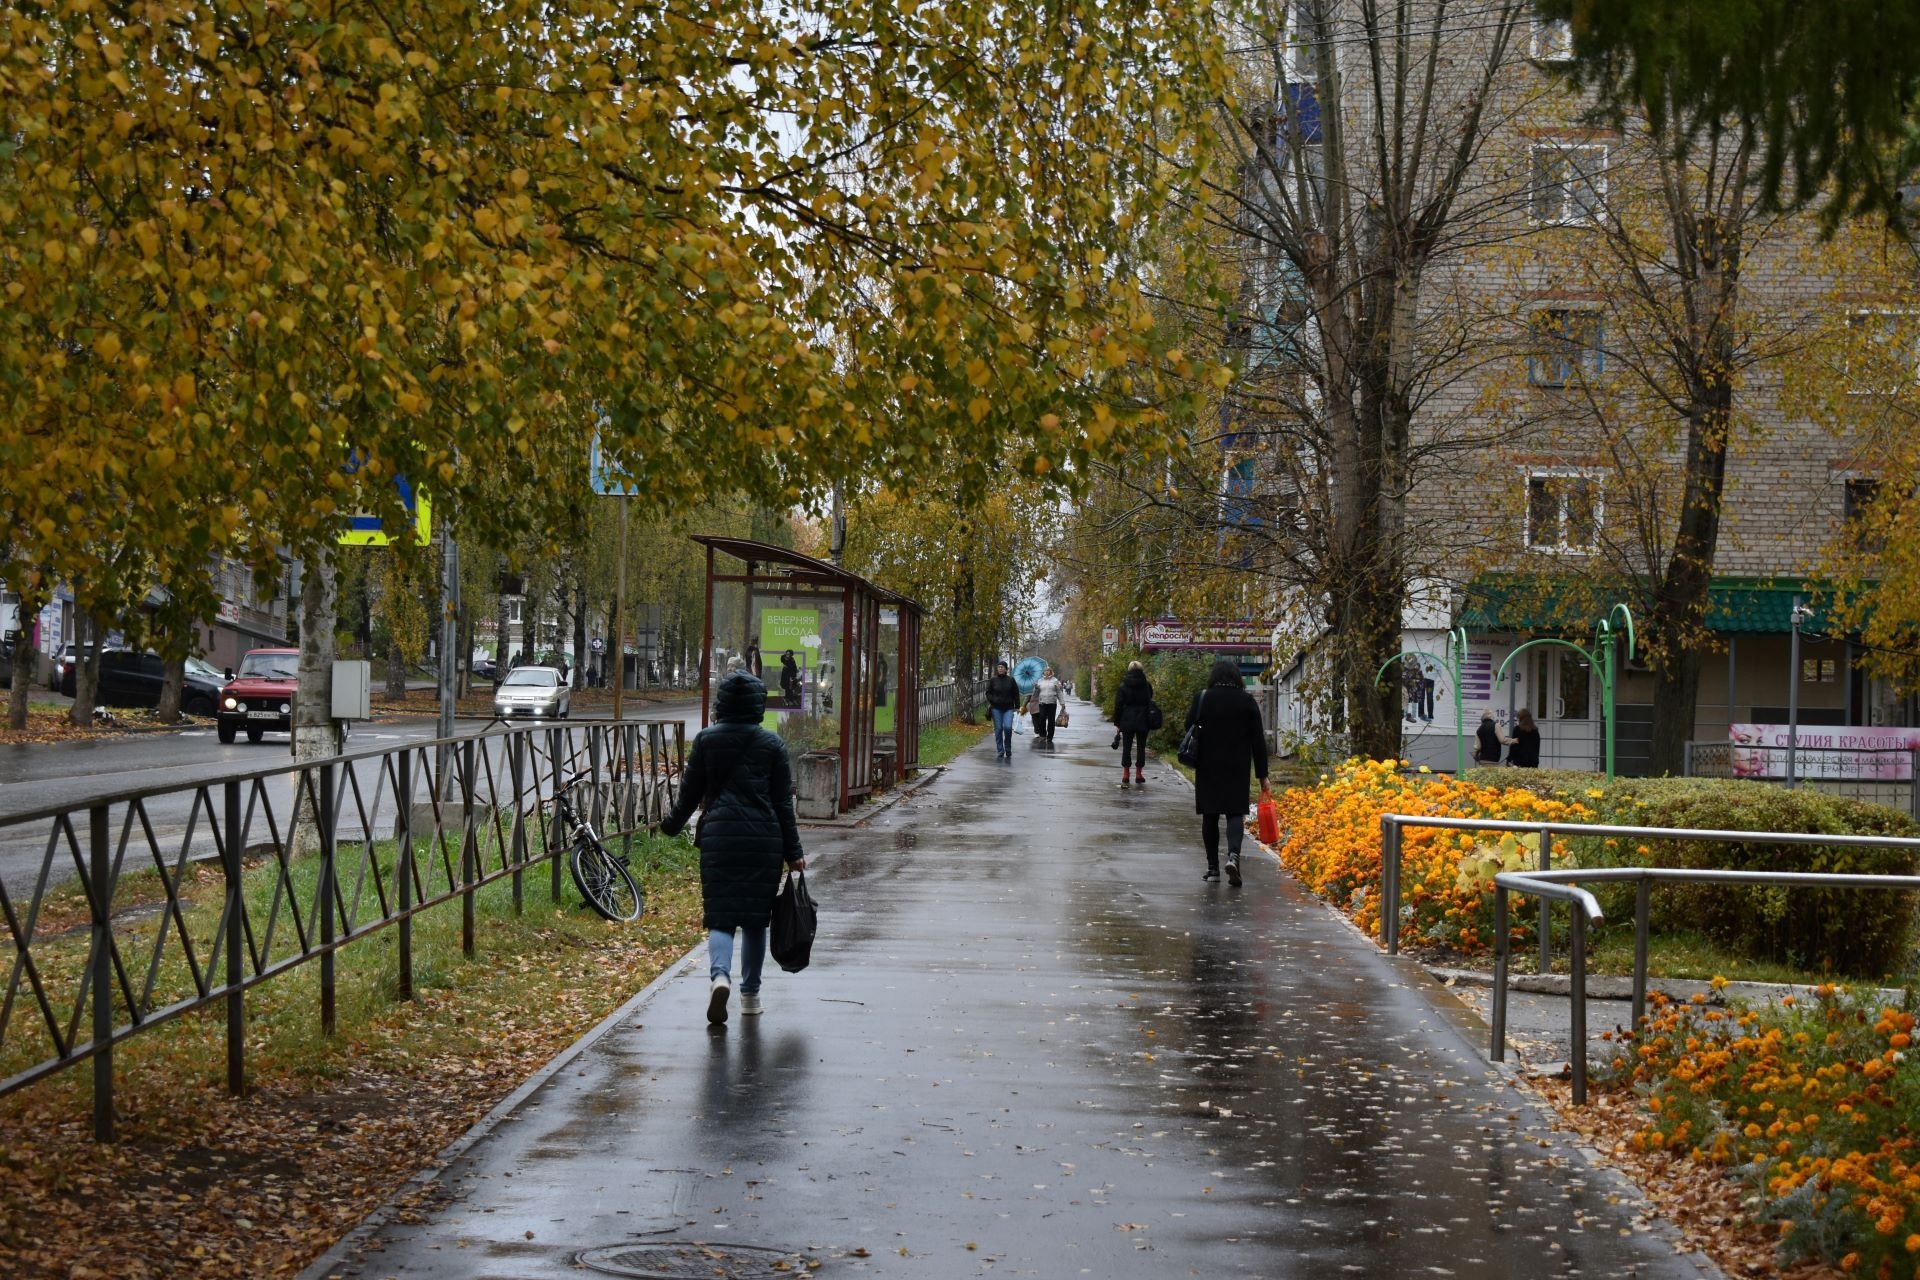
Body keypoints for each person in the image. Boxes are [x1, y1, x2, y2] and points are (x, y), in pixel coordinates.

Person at [660, 671, 807, 1026]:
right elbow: (783, 805)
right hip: (764, 841)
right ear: (758, 704)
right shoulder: (773, 746)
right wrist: (794, 851)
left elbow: (689, 794)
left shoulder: (707, 741)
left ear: (722, 703)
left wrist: (670, 825)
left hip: (720, 840)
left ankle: (719, 977)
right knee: (757, 921)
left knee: (721, 918)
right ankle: (751, 995)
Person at [1185, 657, 1269, 886]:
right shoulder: (1247, 702)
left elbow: (1188, 726)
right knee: (1234, 813)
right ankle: (1233, 856)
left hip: (1208, 765)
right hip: (1237, 767)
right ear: (1236, 678)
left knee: (1210, 815)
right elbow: (1258, 741)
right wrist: (1263, 775)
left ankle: (1213, 869)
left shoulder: (1203, 698)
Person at [1113, 660, 1154, 788]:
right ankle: (1139, 774)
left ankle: (1126, 774)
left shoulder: (1123, 685)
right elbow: (1149, 699)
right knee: (1141, 747)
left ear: (1129, 670)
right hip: (1143, 719)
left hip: (1127, 719)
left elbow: (1118, 705)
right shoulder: (1146, 685)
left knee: (1127, 747)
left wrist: (1117, 723)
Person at [986, 660, 1021, 759]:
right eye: (999, 667)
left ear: (1006, 669)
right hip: (996, 708)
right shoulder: (993, 680)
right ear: (997, 669)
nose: (1000, 669)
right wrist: (993, 700)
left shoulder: (1011, 680)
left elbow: (1016, 693)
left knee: (1008, 728)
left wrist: (1017, 706)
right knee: (998, 729)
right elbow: (988, 693)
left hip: (1008, 708)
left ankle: (1008, 748)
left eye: (1002, 667)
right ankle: (1000, 750)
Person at [1033, 665, 1068, 744]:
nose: (1047, 672)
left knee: (1051, 721)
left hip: (1052, 703)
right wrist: (1036, 688)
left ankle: (1049, 737)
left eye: (1048, 670)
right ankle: (1043, 735)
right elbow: (1035, 694)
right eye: (1045, 671)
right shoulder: (1040, 681)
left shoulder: (1055, 681)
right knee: (1041, 719)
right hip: (1042, 703)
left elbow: (1059, 692)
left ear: (1051, 672)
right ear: (1043, 672)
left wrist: (1062, 703)